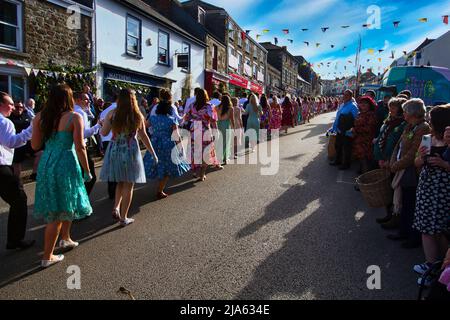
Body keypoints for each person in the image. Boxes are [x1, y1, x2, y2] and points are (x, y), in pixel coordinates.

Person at [32, 84, 93, 267]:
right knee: (58, 211)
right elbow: (81, 147)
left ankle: (65, 238)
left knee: (65, 202)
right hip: (66, 162)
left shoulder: (40, 117)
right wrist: (87, 170)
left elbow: (35, 146)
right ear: (69, 99)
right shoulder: (74, 117)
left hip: (47, 163)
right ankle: (47, 256)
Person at [100, 89, 157, 227]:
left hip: (114, 150)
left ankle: (116, 208)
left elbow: (104, 132)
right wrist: (153, 153)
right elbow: (143, 136)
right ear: (133, 100)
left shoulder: (112, 113)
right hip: (130, 151)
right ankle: (124, 217)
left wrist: (103, 123)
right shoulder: (137, 115)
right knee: (129, 185)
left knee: (120, 181)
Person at [385, 98, 431, 248]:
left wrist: (395, 165)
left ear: (412, 113)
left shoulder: (423, 128)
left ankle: (410, 236)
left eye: (405, 111)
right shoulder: (410, 126)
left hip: (411, 172)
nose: (403, 113)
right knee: (404, 202)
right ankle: (403, 231)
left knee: (410, 204)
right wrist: (393, 161)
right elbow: (398, 146)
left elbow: (413, 154)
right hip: (402, 169)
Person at [412, 105, 450, 280]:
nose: (428, 120)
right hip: (427, 188)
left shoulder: (448, 142)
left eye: (431, 118)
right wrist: (420, 157)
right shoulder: (428, 138)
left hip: (443, 192)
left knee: (440, 229)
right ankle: (432, 265)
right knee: (426, 228)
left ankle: (439, 267)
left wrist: (444, 165)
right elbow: (417, 163)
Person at [0, 92, 35, 250]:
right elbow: (11, 142)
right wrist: (31, 130)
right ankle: (15, 239)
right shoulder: (5, 122)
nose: (13, 107)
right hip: (1, 168)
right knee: (19, 199)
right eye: (10, 104)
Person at [143, 89, 190, 199]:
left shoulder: (153, 118)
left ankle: (159, 188)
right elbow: (177, 136)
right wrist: (182, 148)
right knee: (168, 168)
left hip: (155, 143)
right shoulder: (171, 120)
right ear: (169, 109)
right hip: (168, 144)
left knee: (158, 164)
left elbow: (144, 126)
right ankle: (159, 190)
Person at [373, 97, 407, 223]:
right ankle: (389, 214)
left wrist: (388, 159)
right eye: (390, 106)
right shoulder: (388, 120)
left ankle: (394, 217)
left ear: (401, 109)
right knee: (387, 189)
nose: (390, 109)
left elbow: (396, 145)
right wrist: (380, 157)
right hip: (383, 159)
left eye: (394, 107)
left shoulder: (403, 124)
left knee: (394, 190)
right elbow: (382, 137)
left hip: (392, 161)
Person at [184, 89, 221, 181]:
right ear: (206, 96)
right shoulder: (209, 107)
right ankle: (202, 174)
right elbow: (213, 120)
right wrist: (216, 131)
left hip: (195, 130)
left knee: (195, 151)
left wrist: (195, 118)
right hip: (205, 131)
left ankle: (195, 172)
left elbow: (187, 117)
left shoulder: (192, 105)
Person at [74, 92, 101, 195]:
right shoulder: (80, 113)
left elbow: (92, 116)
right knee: (90, 177)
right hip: (80, 146)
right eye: (86, 99)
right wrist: (98, 126)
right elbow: (83, 134)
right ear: (77, 100)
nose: (88, 101)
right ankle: (82, 199)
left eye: (89, 99)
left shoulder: (75, 111)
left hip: (72, 147)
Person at [330, 90, 359, 170]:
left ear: (350, 96)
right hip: (339, 130)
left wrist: (351, 129)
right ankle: (337, 161)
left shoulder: (353, 106)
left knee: (347, 148)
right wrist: (334, 128)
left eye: (347, 95)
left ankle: (346, 164)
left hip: (347, 131)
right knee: (338, 146)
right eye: (344, 95)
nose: (344, 96)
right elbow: (338, 117)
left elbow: (355, 119)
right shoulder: (342, 104)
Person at [352, 96, 378, 174]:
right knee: (361, 159)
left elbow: (369, 129)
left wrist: (355, 129)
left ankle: (364, 180)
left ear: (369, 105)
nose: (363, 105)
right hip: (358, 140)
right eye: (361, 103)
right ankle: (362, 175)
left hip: (366, 141)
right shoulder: (360, 113)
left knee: (365, 160)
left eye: (365, 103)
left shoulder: (371, 115)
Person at [9, 101, 34, 178]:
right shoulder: (9, 119)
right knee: (17, 164)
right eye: (17, 107)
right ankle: (16, 181)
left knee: (41, 153)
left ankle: (35, 174)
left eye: (21, 107)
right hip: (16, 144)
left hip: (28, 142)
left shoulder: (26, 116)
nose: (19, 109)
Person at [100, 95, 118, 199]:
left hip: (106, 140)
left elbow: (102, 131)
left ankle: (111, 191)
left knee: (110, 166)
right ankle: (116, 191)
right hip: (116, 140)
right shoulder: (119, 110)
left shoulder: (104, 111)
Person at [216, 95, 235, 164]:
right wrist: (234, 127)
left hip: (218, 124)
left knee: (219, 141)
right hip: (226, 125)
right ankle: (224, 158)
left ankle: (218, 157)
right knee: (226, 142)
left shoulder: (217, 107)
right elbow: (232, 119)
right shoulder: (230, 108)